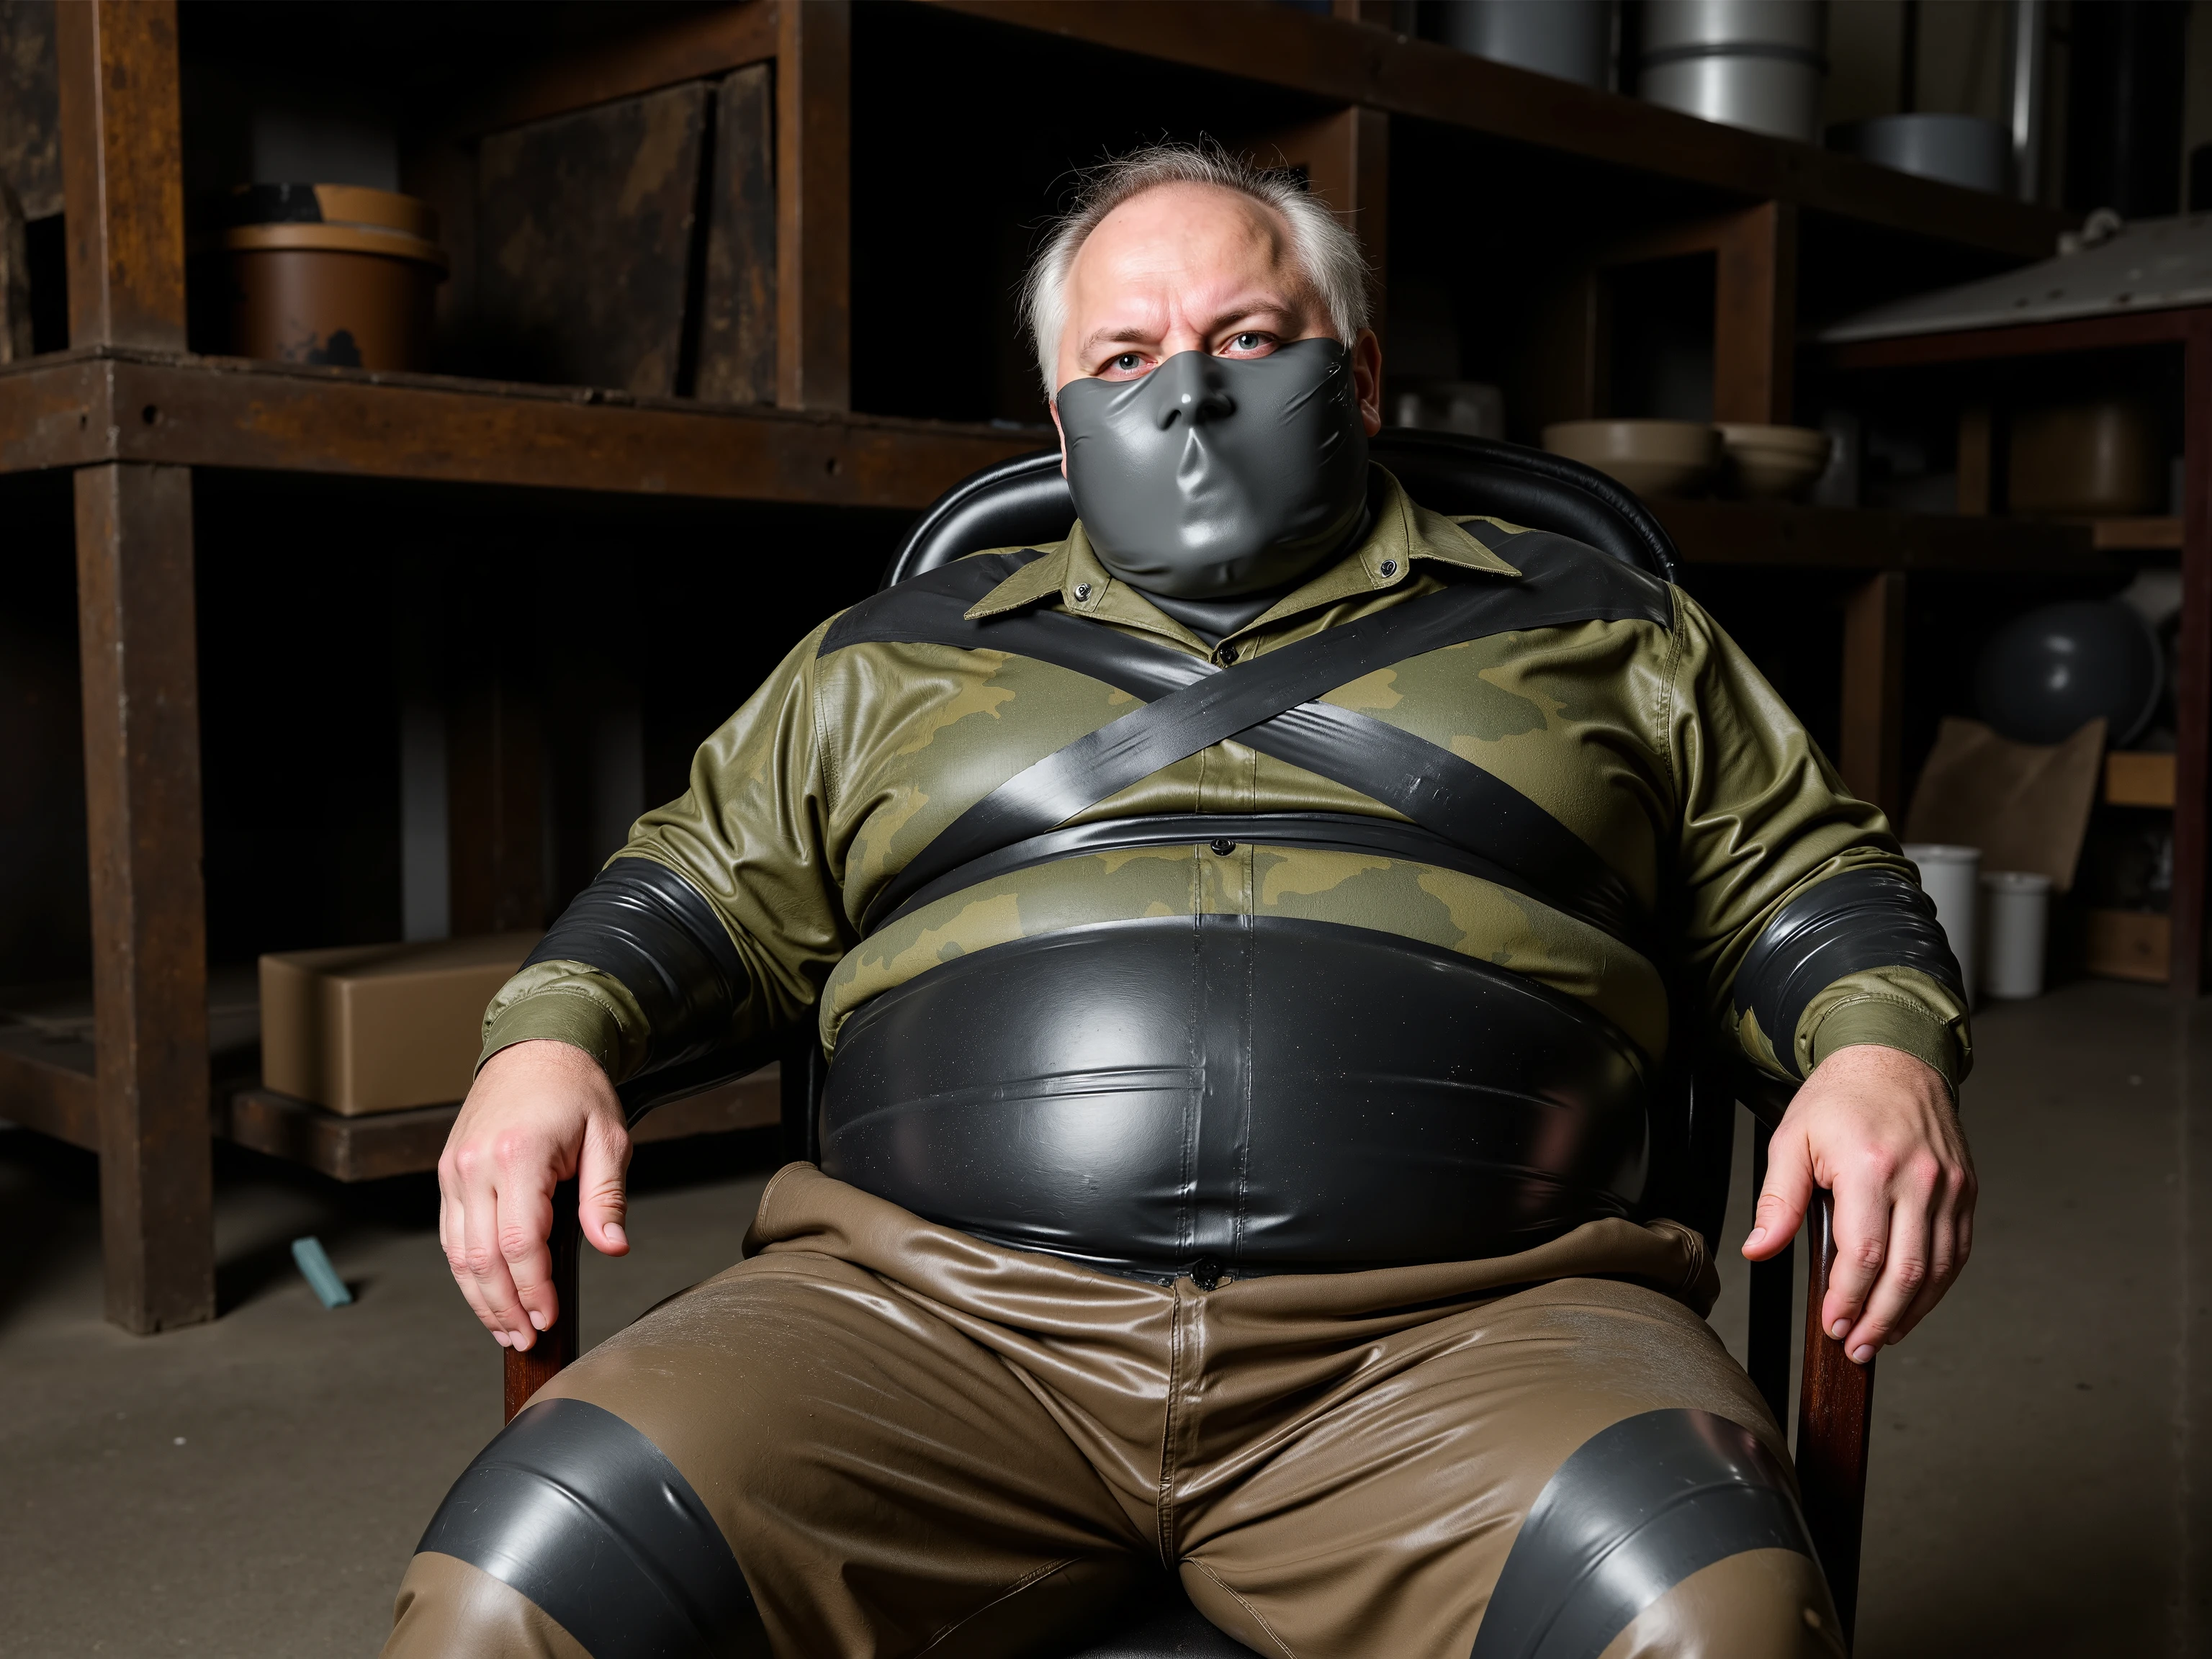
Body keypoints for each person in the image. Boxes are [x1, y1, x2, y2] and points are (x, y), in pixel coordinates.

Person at [385, 143, 1975, 1659]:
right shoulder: (885, 662)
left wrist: (1879, 1049)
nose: (1190, 388)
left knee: (1717, 1623)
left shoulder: (1609, 635)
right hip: (921, 1332)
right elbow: (698, 887)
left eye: (1248, 335)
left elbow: (1801, 870)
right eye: (1128, 354)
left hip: (1472, 1340)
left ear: (1356, 377)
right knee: (507, 1602)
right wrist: (550, 1038)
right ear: (1064, 425)